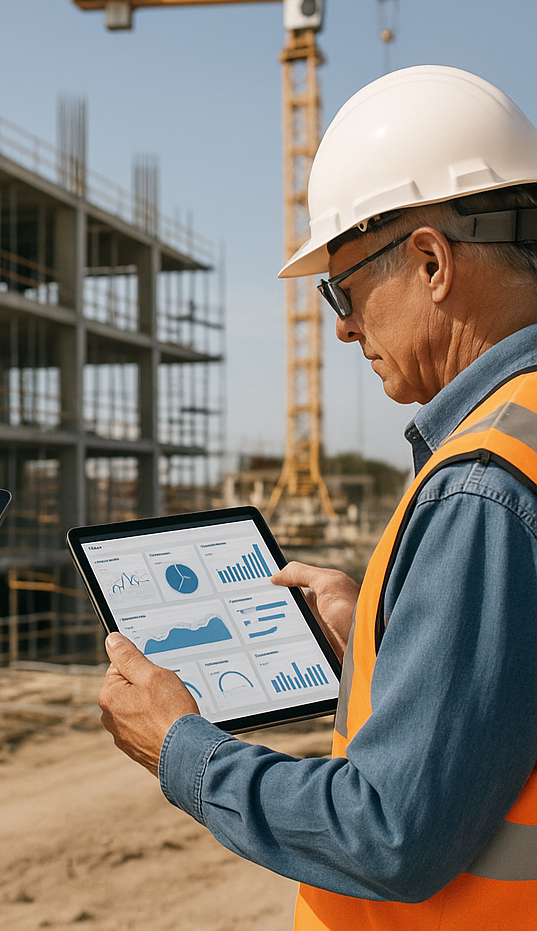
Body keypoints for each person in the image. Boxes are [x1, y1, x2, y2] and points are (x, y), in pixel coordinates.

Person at [98, 64, 537, 929]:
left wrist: (183, 749)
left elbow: (391, 832)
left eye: (343, 289)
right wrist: (384, 627)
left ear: (429, 260)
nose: (341, 327)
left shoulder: (485, 484)